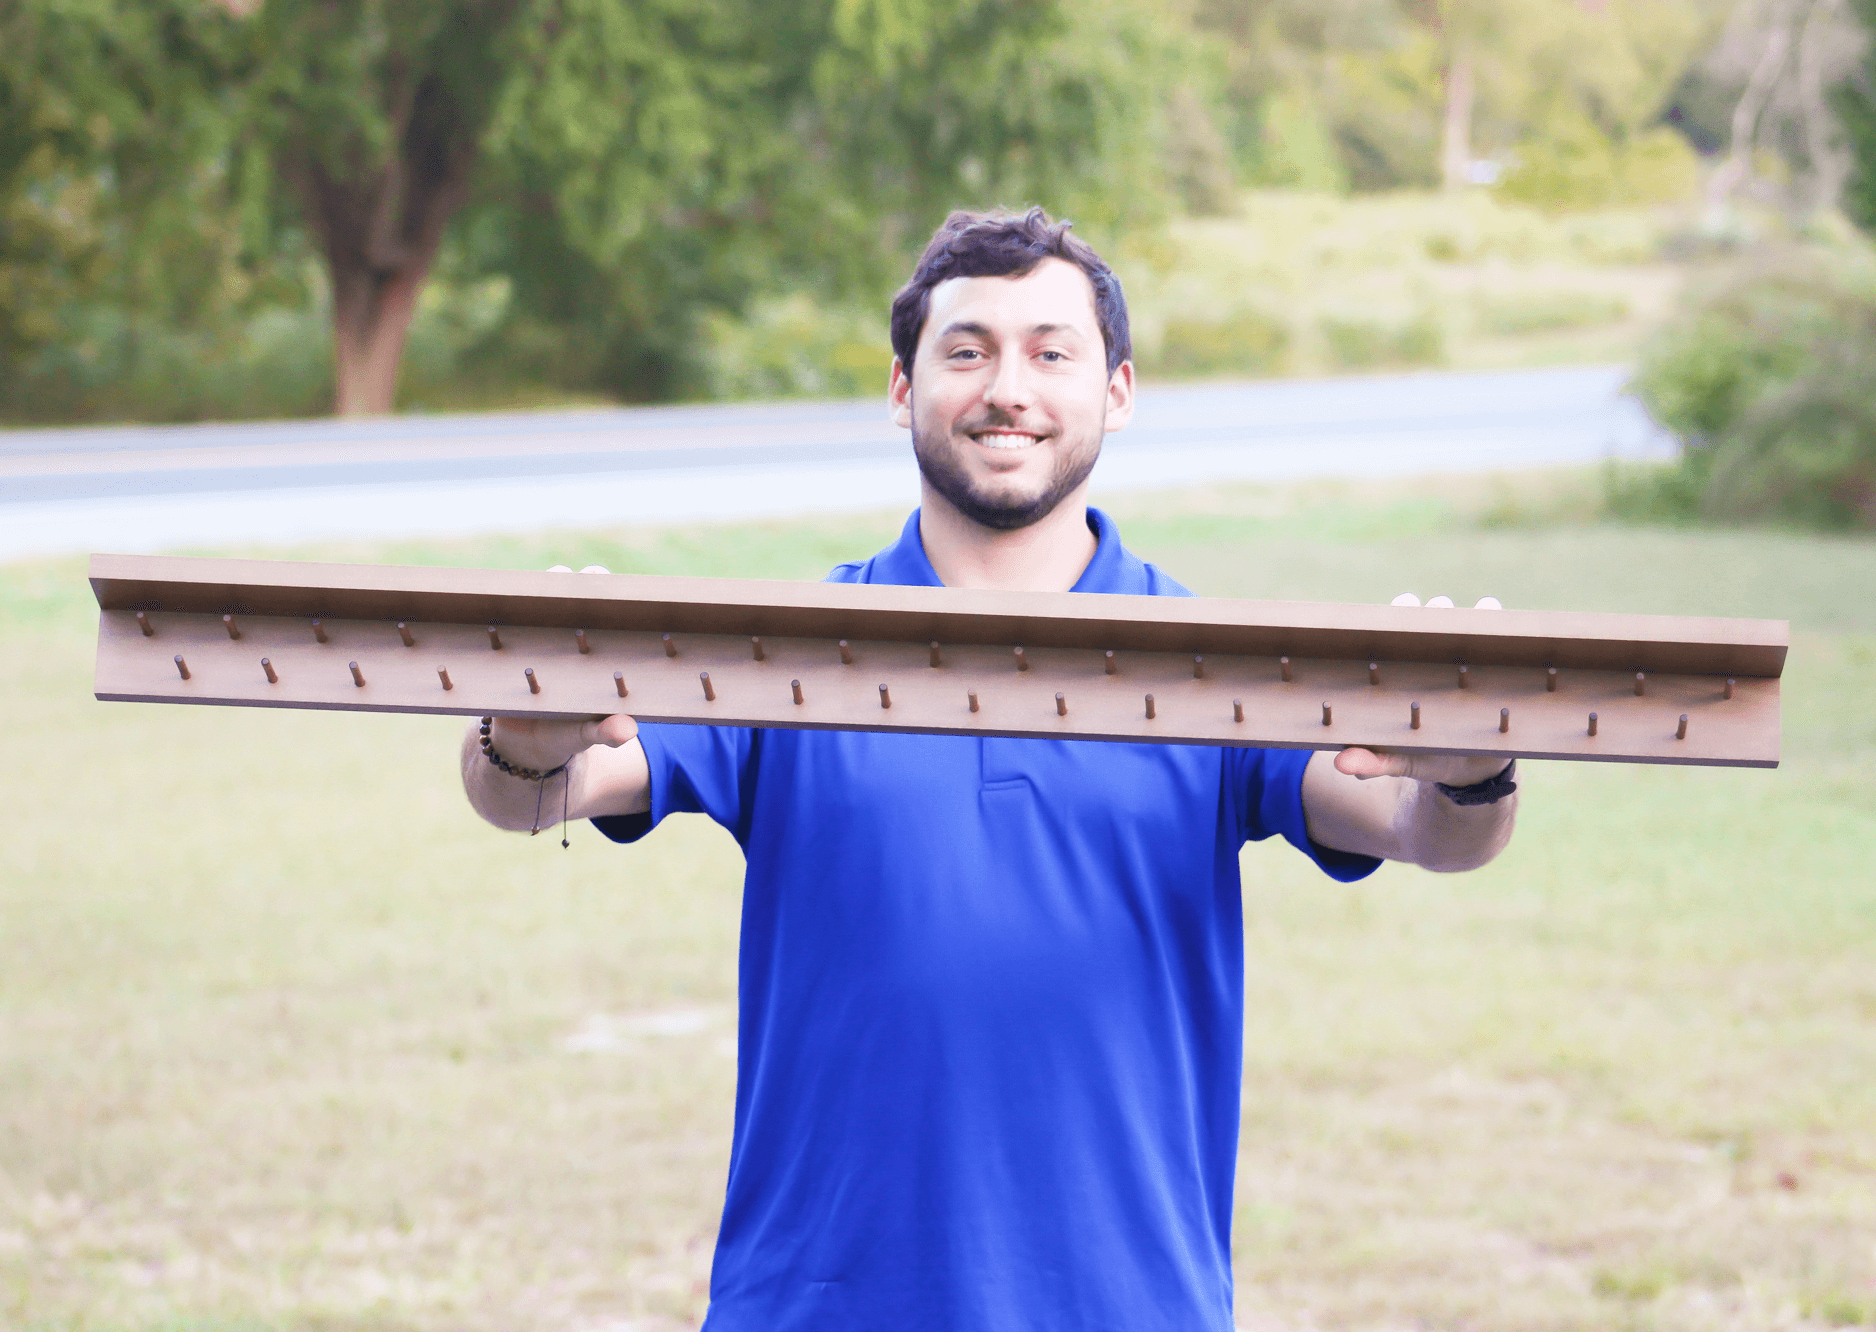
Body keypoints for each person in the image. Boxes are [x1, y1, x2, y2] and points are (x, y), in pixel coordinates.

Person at [463, 207, 1519, 1331]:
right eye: (964, 350)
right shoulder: (791, 644)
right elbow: (542, 791)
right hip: (814, 1307)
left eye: (1049, 351)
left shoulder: (1207, 663)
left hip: (1128, 1305)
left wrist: (1468, 766)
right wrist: (528, 735)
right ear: (900, 390)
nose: (1005, 387)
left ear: (1115, 390)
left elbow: (1425, 828)